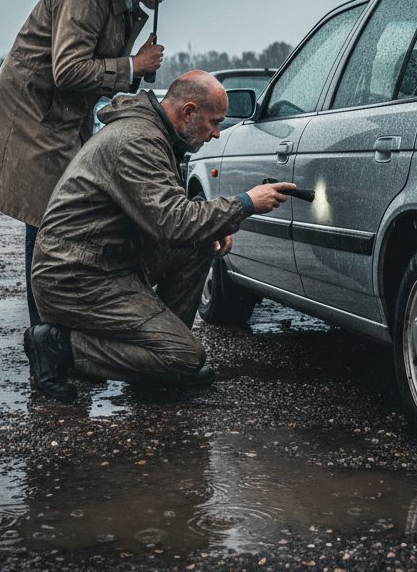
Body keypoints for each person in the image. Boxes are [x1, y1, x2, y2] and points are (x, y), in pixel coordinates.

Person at [25, 70, 297, 401]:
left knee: (199, 243)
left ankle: (157, 365)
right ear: (189, 112)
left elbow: (167, 217)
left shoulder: (152, 133)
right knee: (185, 357)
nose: (215, 134)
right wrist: (244, 204)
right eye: (214, 122)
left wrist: (214, 226)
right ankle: (58, 346)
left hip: (103, 260)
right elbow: (173, 221)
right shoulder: (138, 142)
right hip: (74, 277)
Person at [0, 0, 186, 326]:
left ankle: (62, 331)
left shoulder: (122, 1)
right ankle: (46, 344)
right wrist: (133, 65)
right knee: (47, 219)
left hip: (65, 119)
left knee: (66, 216)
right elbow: (68, 70)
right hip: (34, 117)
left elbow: (98, 66)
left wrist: (134, 69)